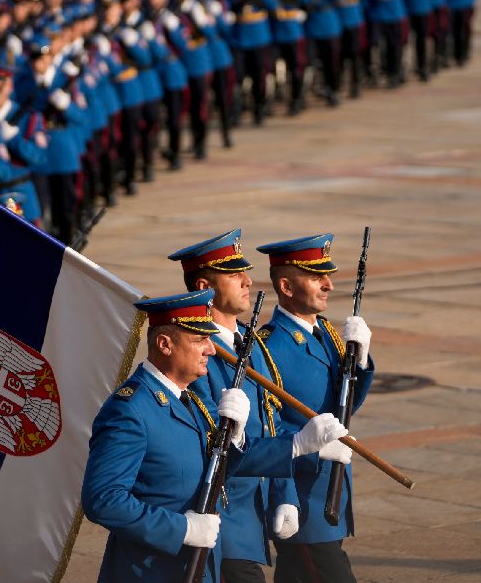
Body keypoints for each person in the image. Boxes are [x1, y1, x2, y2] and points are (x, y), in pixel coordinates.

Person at [82, 289, 347, 583]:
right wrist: (181, 529)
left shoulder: (191, 400)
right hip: (150, 571)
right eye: (199, 340)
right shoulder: (130, 410)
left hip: (203, 566)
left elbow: (223, 461)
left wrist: (296, 445)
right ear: (165, 344)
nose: (210, 349)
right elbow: (103, 500)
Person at [170, 230, 353, 583]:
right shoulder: (197, 353)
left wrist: (285, 493)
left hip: (252, 513)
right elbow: (211, 445)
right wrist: (302, 448)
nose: (247, 281)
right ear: (205, 287)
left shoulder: (249, 342)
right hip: (222, 513)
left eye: (244, 272)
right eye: (233, 275)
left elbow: (271, 422)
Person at [254, 233, 375, 583]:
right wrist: (314, 453)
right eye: (315, 277)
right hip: (302, 497)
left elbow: (345, 406)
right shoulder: (270, 347)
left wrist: (361, 362)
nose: (329, 285)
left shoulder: (325, 333)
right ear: (286, 287)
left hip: (328, 494)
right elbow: (267, 430)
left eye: (328, 276)